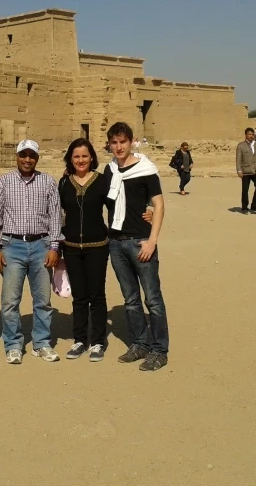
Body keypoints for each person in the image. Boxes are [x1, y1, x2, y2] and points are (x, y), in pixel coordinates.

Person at [0, 139, 63, 364]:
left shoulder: (48, 182)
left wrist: (54, 247)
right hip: (12, 246)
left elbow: (55, 217)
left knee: (43, 300)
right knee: (10, 301)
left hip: (41, 246)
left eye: (31, 155)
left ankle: (41, 343)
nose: (27, 159)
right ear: (17, 156)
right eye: (23, 155)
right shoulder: (4, 182)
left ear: (37, 158)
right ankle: (13, 344)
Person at [104, 122, 168, 372]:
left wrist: (152, 240)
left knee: (152, 299)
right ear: (109, 144)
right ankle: (140, 343)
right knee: (130, 300)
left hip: (141, 242)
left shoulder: (145, 169)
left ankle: (159, 350)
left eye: (123, 142)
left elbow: (159, 204)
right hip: (116, 243)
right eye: (114, 142)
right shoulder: (109, 170)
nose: (119, 147)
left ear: (131, 142)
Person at [58, 139, 110, 362]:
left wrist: (146, 213)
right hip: (70, 247)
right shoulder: (63, 183)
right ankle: (79, 339)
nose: (81, 160)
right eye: (76, 156)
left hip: (97, 246)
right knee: (79, 296)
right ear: (71, 158)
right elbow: (55, 213)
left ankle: (98, 342)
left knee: (96, 295)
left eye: (84, 156)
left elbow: (119, 209)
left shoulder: (102, 181)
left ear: (91, 158)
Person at [236, 127, 256, 215]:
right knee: (245, 189)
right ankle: (244, 207)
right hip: (245, 171)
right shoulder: (241, 146)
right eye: (249, 134)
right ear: (246, 135)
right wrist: (239, 170)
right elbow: (238, 159)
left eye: (252, 134)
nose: (251, 136)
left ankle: (254, 206)